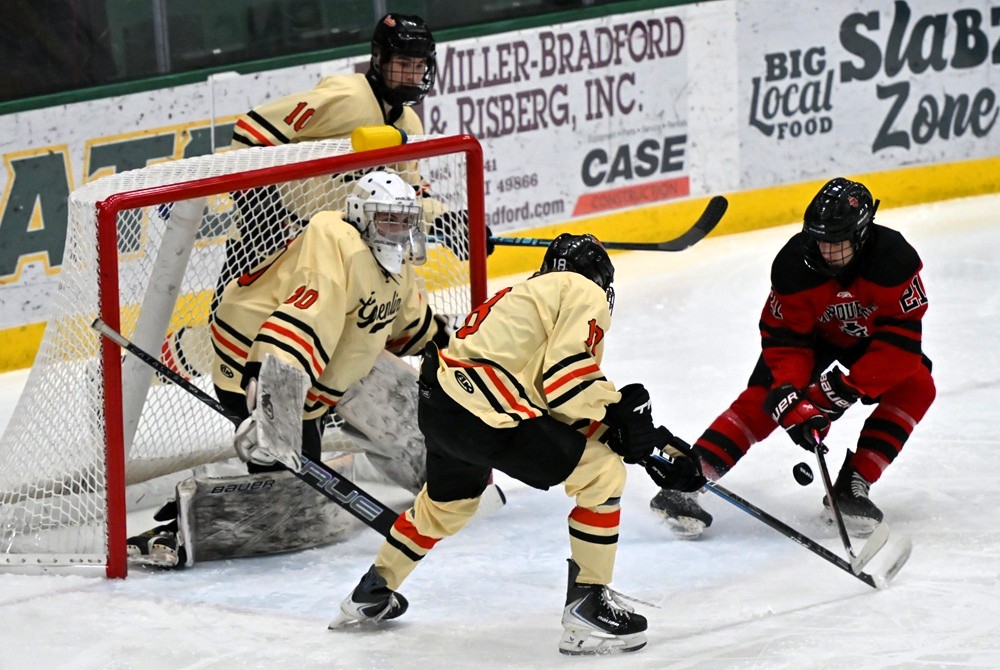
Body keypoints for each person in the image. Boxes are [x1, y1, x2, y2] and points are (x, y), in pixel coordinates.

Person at [328, 234, 706, 656]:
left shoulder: (524, 296)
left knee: (446, 505)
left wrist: (648, 442)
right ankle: (588, 607)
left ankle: (372, 592)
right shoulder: (580, 290)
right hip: (485, 410)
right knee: (602, 473)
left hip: (441, 403)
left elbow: (553, 405)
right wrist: (620, 413)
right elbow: (567, 382)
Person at [127, 170, 451, 567]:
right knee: (291, 496)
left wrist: (452, 347)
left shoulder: (393, 258)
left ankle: (448, 470)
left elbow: (404, 321)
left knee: (385, 397)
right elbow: (305, 321)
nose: (398, 230)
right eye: (388, 219)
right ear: (361, 216)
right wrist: (271, 405)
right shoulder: (337, 244)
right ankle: (178, 531)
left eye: (404, 221)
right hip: (254, 355)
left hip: (312, 365)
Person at [649, 177, 936, 540]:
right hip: (810, 340)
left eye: (836, 243)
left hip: (869, 340)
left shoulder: (894, 261)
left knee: (918, 387)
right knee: (761, 401)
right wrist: (788, 393)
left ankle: (850, 488)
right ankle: (685, 484)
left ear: (862, 235)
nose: (824, 251)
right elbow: (785, 340)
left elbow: (900, 347)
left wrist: (843, 390)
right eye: (819, 239)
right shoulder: (794, 265)